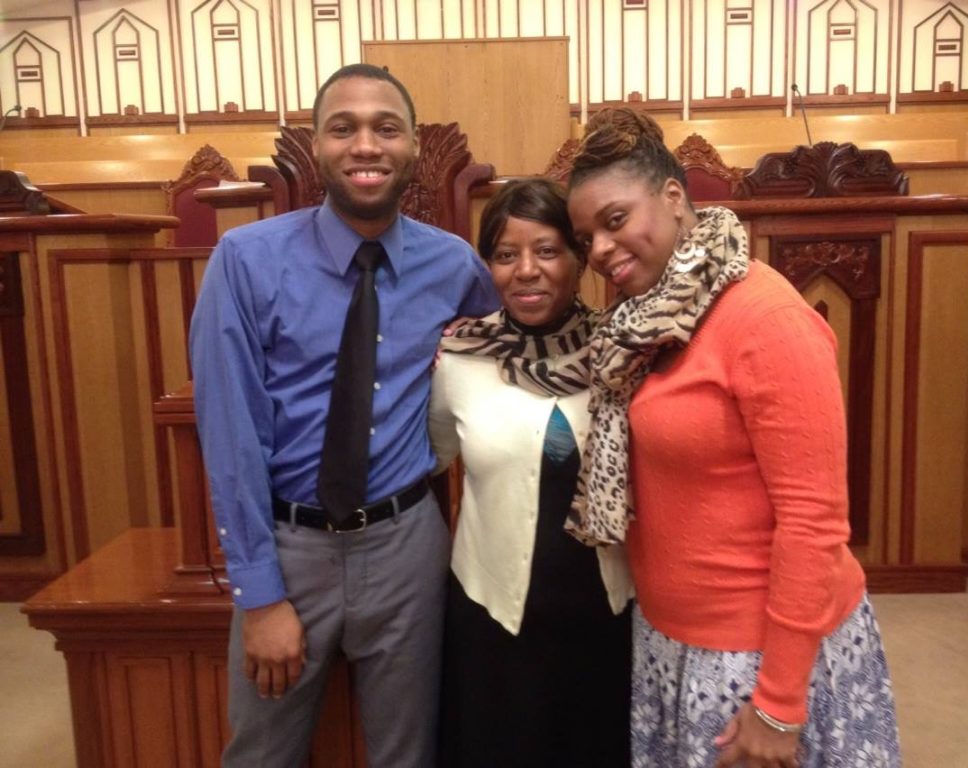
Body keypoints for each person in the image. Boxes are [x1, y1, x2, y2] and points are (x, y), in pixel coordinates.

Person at [564, 108, 901, 768]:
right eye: (586, 238)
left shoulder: (764, 316)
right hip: (674, 642)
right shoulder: (640, 324)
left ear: (673, 199)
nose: (601, 250)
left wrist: (778, 702)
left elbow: (814, 522)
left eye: (614, 221)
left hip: (760, 656)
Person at [189, 64, 498, 768]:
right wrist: (260, 594)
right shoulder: (244, 261)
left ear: (414, 147)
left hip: (406, 544)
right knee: (261, 754)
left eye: (386, 128)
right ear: (316, 146)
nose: (366, 145)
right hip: (288, 545)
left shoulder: (454, 266)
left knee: (408, 753)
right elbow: (232, 437)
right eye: (344, 128)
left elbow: (511, 360)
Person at [429, 178, 633, 767]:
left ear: (578, 256)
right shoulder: (459, 360)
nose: (526, 270)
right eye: (505, 254)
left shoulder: (623, 351)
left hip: (605, 612)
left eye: (546, 250)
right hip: (494, 617)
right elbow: (433, 455)